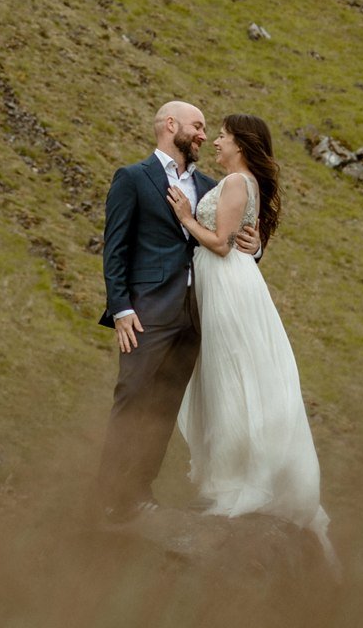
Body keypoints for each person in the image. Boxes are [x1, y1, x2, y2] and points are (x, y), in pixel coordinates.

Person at [168, 114, 336, 568]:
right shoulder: (237, 182)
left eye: (221, 135)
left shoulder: (238, 182)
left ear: (239, 143)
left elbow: (221, 243)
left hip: (226, 287)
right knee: (227, 379)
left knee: (232, 378)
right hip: (223, 283)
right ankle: (233, 475)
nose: (216, 142)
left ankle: (241, 480)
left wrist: (185, 216)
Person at [95, 100, 260, 521]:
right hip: (146, 312)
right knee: (132, 398)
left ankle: (138, 490)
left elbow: (224, 238)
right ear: (171, 125)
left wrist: (255, 247)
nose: (205, 135)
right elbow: (115, 249)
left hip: (195, 315)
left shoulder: (209, 185)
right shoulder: (133, 178)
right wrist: (121, 308)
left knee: (164, 406)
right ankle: (107, 495)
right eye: (198, 126)